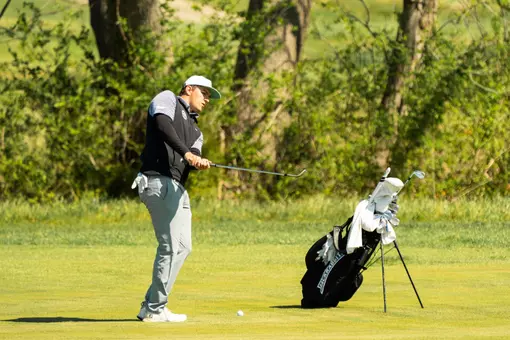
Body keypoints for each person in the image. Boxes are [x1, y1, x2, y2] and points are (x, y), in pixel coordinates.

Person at [131, 75, 221, 322]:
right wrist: (187, 154)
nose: (207, 100)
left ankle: (151, 304)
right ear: (189, 89)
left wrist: (198, 161)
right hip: (157, 181)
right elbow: (162, 126)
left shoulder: (196, 131)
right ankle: (155, 308)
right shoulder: (167, 98)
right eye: (204, 93)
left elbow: (193, 156)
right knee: (169, 247)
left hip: (179, 187)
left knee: (183, 247)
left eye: (209, 97)